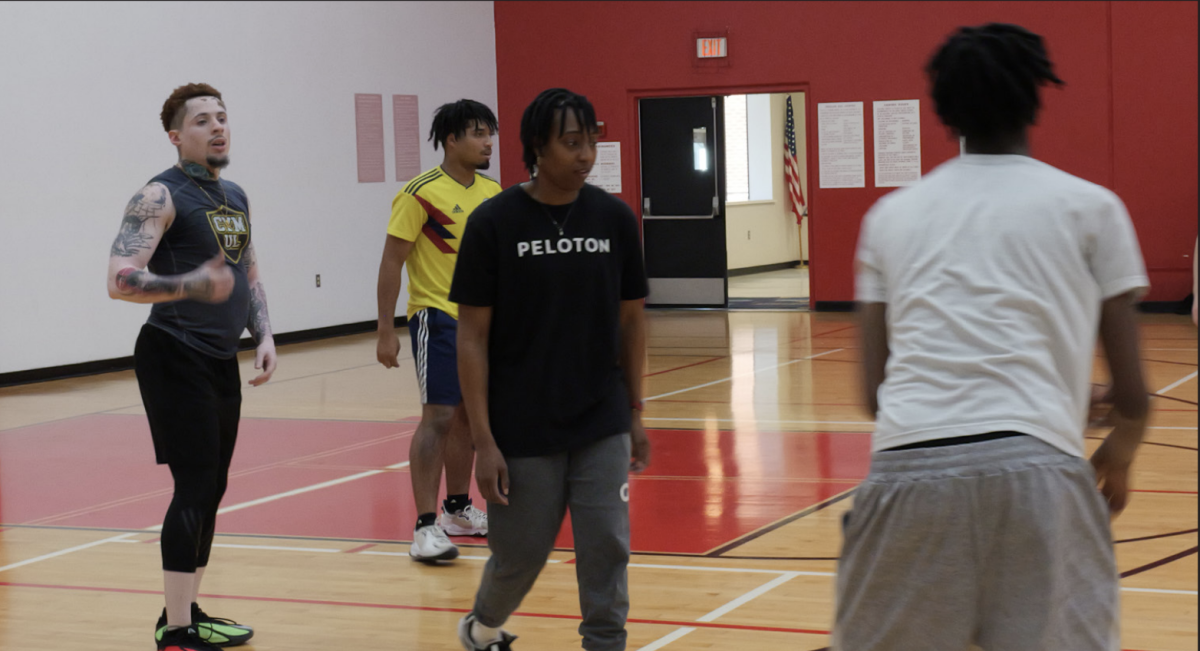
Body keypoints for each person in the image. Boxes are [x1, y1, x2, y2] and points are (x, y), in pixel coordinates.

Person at [836, 24, 1150, 651]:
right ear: (1034, 98)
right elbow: (1135, 400)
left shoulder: (888, 217)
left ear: (944, 113)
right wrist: (1117, 452)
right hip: (1041, 478)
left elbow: (874, 394)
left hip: (907, 475)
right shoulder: (1093, 208)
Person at [450, 88, 651, 651]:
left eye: (591, 142)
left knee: (606, 545)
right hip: (522, 423)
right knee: (521, 553)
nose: (586, 155)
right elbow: (472, 337)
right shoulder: (494, 223)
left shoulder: (614, 219)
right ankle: (482, 626)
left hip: (600, 416)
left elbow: (632, 323)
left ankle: (605, 642)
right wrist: (483, 442)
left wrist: (635, 411)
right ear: (538, 146)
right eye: (571, 143)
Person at [107, 83, 275, 651]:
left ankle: (188, 611)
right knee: (195, 483)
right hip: (173, 353)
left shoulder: (235, 195)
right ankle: (176, 632)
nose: (217, 126)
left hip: (219, 358)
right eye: (203, 120)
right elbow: (119, 279)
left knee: (214, 486)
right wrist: (190, 284)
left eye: (222, 117)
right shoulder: (159, 195)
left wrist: (264, 334)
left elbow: (248, 272)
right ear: (177, 136)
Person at [376, 99, 499, 562]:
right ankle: (425, 528)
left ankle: (457, 510)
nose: (488, 142)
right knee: (439, 417)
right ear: (451, 140)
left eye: (490, 133)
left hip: (482, 322)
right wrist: (385, 329)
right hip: (436, 315)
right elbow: (392, 261)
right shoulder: (418, 193)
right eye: (478, 133)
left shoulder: (493, 193)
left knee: (469, 416)